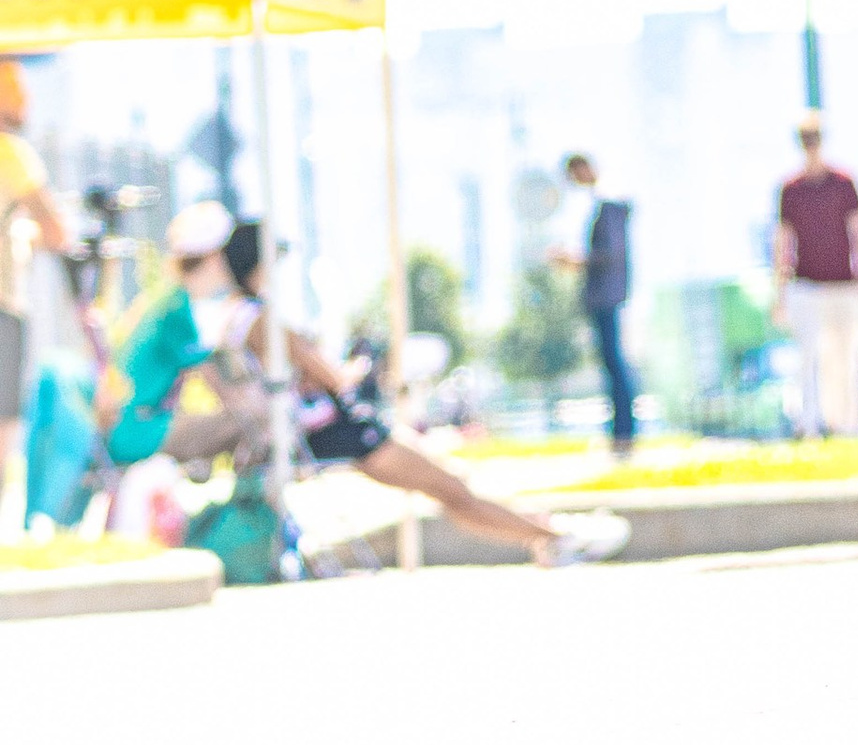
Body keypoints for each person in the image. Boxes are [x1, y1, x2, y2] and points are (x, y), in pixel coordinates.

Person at [107, 206, 627, 561]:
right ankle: (555, 536)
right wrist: (360, 362)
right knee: (450, 486)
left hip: (319, 431)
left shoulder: (231, 318)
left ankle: (548, 534)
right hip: (337, 430)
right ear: (259, 267)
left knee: (447, 487)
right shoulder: (264, 321)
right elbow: (331, 377)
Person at [0, 58, 74, 520]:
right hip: (3, 302)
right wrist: (24, 231)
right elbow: (57, 232)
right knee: (4, 419)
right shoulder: (12, 154)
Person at [774, 112, 858, 436]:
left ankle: (847, 424)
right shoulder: (790, 189)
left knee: (845, 356)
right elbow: (783, 240)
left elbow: (857, 228)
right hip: (807, 283)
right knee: (808, 357)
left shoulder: (844, 182)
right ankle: (809, 423)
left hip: (842, 281)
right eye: (806, 141)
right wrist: (780, 291)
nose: (811, 147)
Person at [555, 151, 638, 454]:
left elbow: (609, 253)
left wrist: (576, 260)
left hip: (608, 295)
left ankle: (623, 434)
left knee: (615, 364)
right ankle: (621, 433)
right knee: (612, 364)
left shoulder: (610, 204)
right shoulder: (606, 204)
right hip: (605, 295)